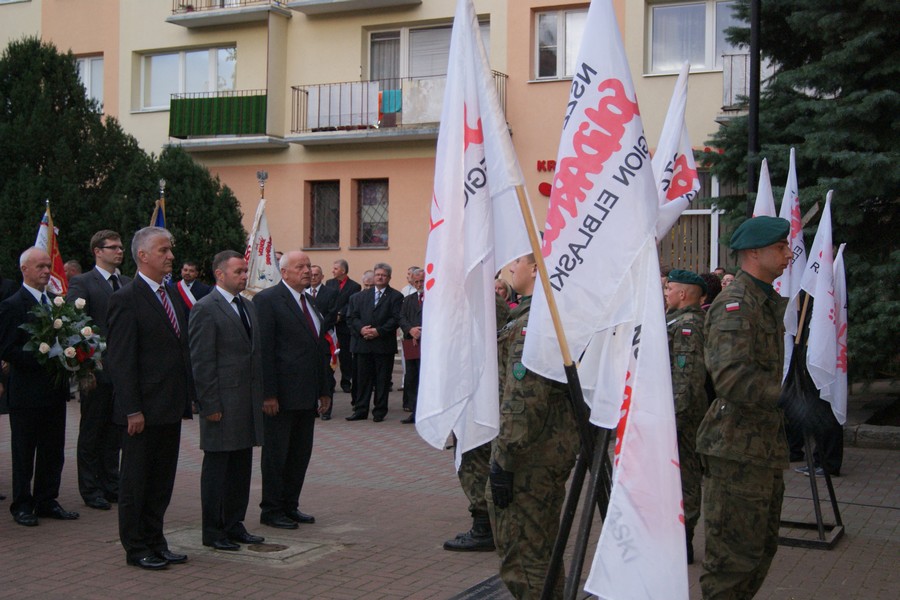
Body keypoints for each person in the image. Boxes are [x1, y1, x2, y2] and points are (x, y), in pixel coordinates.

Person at [696, 215, 792, 599]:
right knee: (731, 562)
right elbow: (731, 378)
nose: (788, 254)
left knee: (759, 551)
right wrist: (785, 398)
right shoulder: (736, 305)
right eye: (780, 247)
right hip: (735, 450)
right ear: (754, 252)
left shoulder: (763, 300)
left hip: (761, 448)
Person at [487, 254, 579, 599]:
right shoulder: (541, 313)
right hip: (547, 448)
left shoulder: (535, 322)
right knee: (540, 546)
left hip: (529, 456)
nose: (511, 268)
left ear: (537, 268)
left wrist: (504, 458)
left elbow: (523, 398)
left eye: (518, 262)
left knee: (524, 556)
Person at [108, 226, 196, 570]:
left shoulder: (171, 294)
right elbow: (121, 360)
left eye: (170, 250)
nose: (171, 256)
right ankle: (136, 546)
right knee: (136, 482)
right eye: (163, 250)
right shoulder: (126, 298)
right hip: (141, 411)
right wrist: (132, 409)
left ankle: (156, 539)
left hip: (169, 406)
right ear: (142, 256)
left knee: (161, 481)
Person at [189, 251, 265, 551]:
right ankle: (213, 530)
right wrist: (210, 405)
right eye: (239, 271)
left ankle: (235, 524)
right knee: (218, 470)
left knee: (240, 469)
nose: (245, 275)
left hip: (246, 404)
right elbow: (202, 360)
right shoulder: (206, 308)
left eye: (246, 270)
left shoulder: (247, 305)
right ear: (220, 274)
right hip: (222, 404)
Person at [0, 247, 80, 527]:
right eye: (41, 267)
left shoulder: (56, 304)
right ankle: (22, 504)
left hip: (54, 392)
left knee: (53, 448)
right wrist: (44, 356)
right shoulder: (12, 305)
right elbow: (8, 347)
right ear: (24, 270)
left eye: (48, 266)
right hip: (26, 391)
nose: (47, 271)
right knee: (24, 451)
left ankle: (47, 499)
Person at [253, 251, 332, 530]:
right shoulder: (267, 301)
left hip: (306, 393)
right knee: (277, 455)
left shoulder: (309, 301)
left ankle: (290, 505)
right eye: (301, 266)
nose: (307, 270)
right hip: (281, 396)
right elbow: (264, 351)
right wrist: (268, 394)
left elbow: (318, 348)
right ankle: (272, 509)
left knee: (299, 454)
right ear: (283, 272)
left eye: (309, 266)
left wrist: (325, 390)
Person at [67, 230, 131, 511]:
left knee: (115, 431)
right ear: (97, 251)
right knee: (93, 430)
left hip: (123, 370)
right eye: (112, 247)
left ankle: (111, 482)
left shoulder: (127, 283)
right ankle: (90, 488)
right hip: (97, 369)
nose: (119, 251)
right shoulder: (83, 283)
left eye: (120, 247)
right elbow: (74, 326)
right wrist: (85, 368)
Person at [443, 294, 510, 553]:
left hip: (480, 393)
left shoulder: (482, 299)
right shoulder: (484, 298)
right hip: (481, 390)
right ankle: (488, 523)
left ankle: (484, 526)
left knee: (474, 459)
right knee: (478, 457)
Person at [663, 269, 709, 565]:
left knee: (686, 478)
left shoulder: (690, 324)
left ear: (683, 294)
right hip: (669, 413)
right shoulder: (674, 319)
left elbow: (687, 378)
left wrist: (673, 420)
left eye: (669, 288)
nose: (665, 292)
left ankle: (684, 539)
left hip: (682, 416)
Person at [346, 263, 403, 422]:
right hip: (363, 344)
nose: (380, 277)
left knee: (382, 381)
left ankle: (379, 411)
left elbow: (396, 318)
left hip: (383, 345)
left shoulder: (396, 296)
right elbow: (352, 317)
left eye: (383, 275)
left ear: (389, 278)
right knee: (362, 380)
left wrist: (379, 331)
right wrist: (362, 330)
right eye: (377, 274)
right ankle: (361, 410)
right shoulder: (361, 296)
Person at [307, 265, 339, 420]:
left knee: (326, 375)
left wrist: (317, 329)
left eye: (316, 274)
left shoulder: (331, 293)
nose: (313, 277)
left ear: (322, 276)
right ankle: (312, 407)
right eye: (311, 274)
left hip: (325, 340)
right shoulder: (303, 293)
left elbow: (332, 314)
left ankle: (327, 410)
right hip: (306, 342)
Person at [325, 259, 361, 394]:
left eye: (335, 268)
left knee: (345, 356)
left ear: (343, 271)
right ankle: (330, 382)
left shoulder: (354, 286)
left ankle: (346, 381)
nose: (332, 271)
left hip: (344, 325)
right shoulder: (329, 283)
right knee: (331, 354)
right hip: (332, 325)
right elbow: (329, 300)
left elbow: (351, 303)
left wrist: (341, 314)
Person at [398, 268, 424, 424]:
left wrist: (422, 331)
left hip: (428, 344)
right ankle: (414, 411)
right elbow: (401, 317)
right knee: (412, 378)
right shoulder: (408, 300)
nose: (420, 284)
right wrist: (411, 330)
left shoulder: (435, 298)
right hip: (412, 345)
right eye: (417, 281)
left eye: (422, 281)